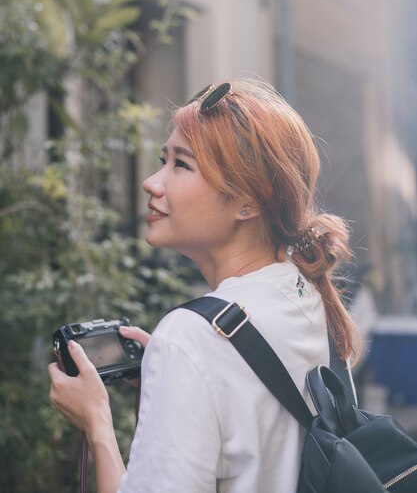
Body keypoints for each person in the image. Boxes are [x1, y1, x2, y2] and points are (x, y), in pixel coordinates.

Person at [48, 79, 359, 493]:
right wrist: (183, 375)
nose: (152, 183)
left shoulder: (190, 339)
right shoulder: (306, 295)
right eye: (164, 160)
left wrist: (97, 423)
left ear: (247, 201)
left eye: (181, 165)